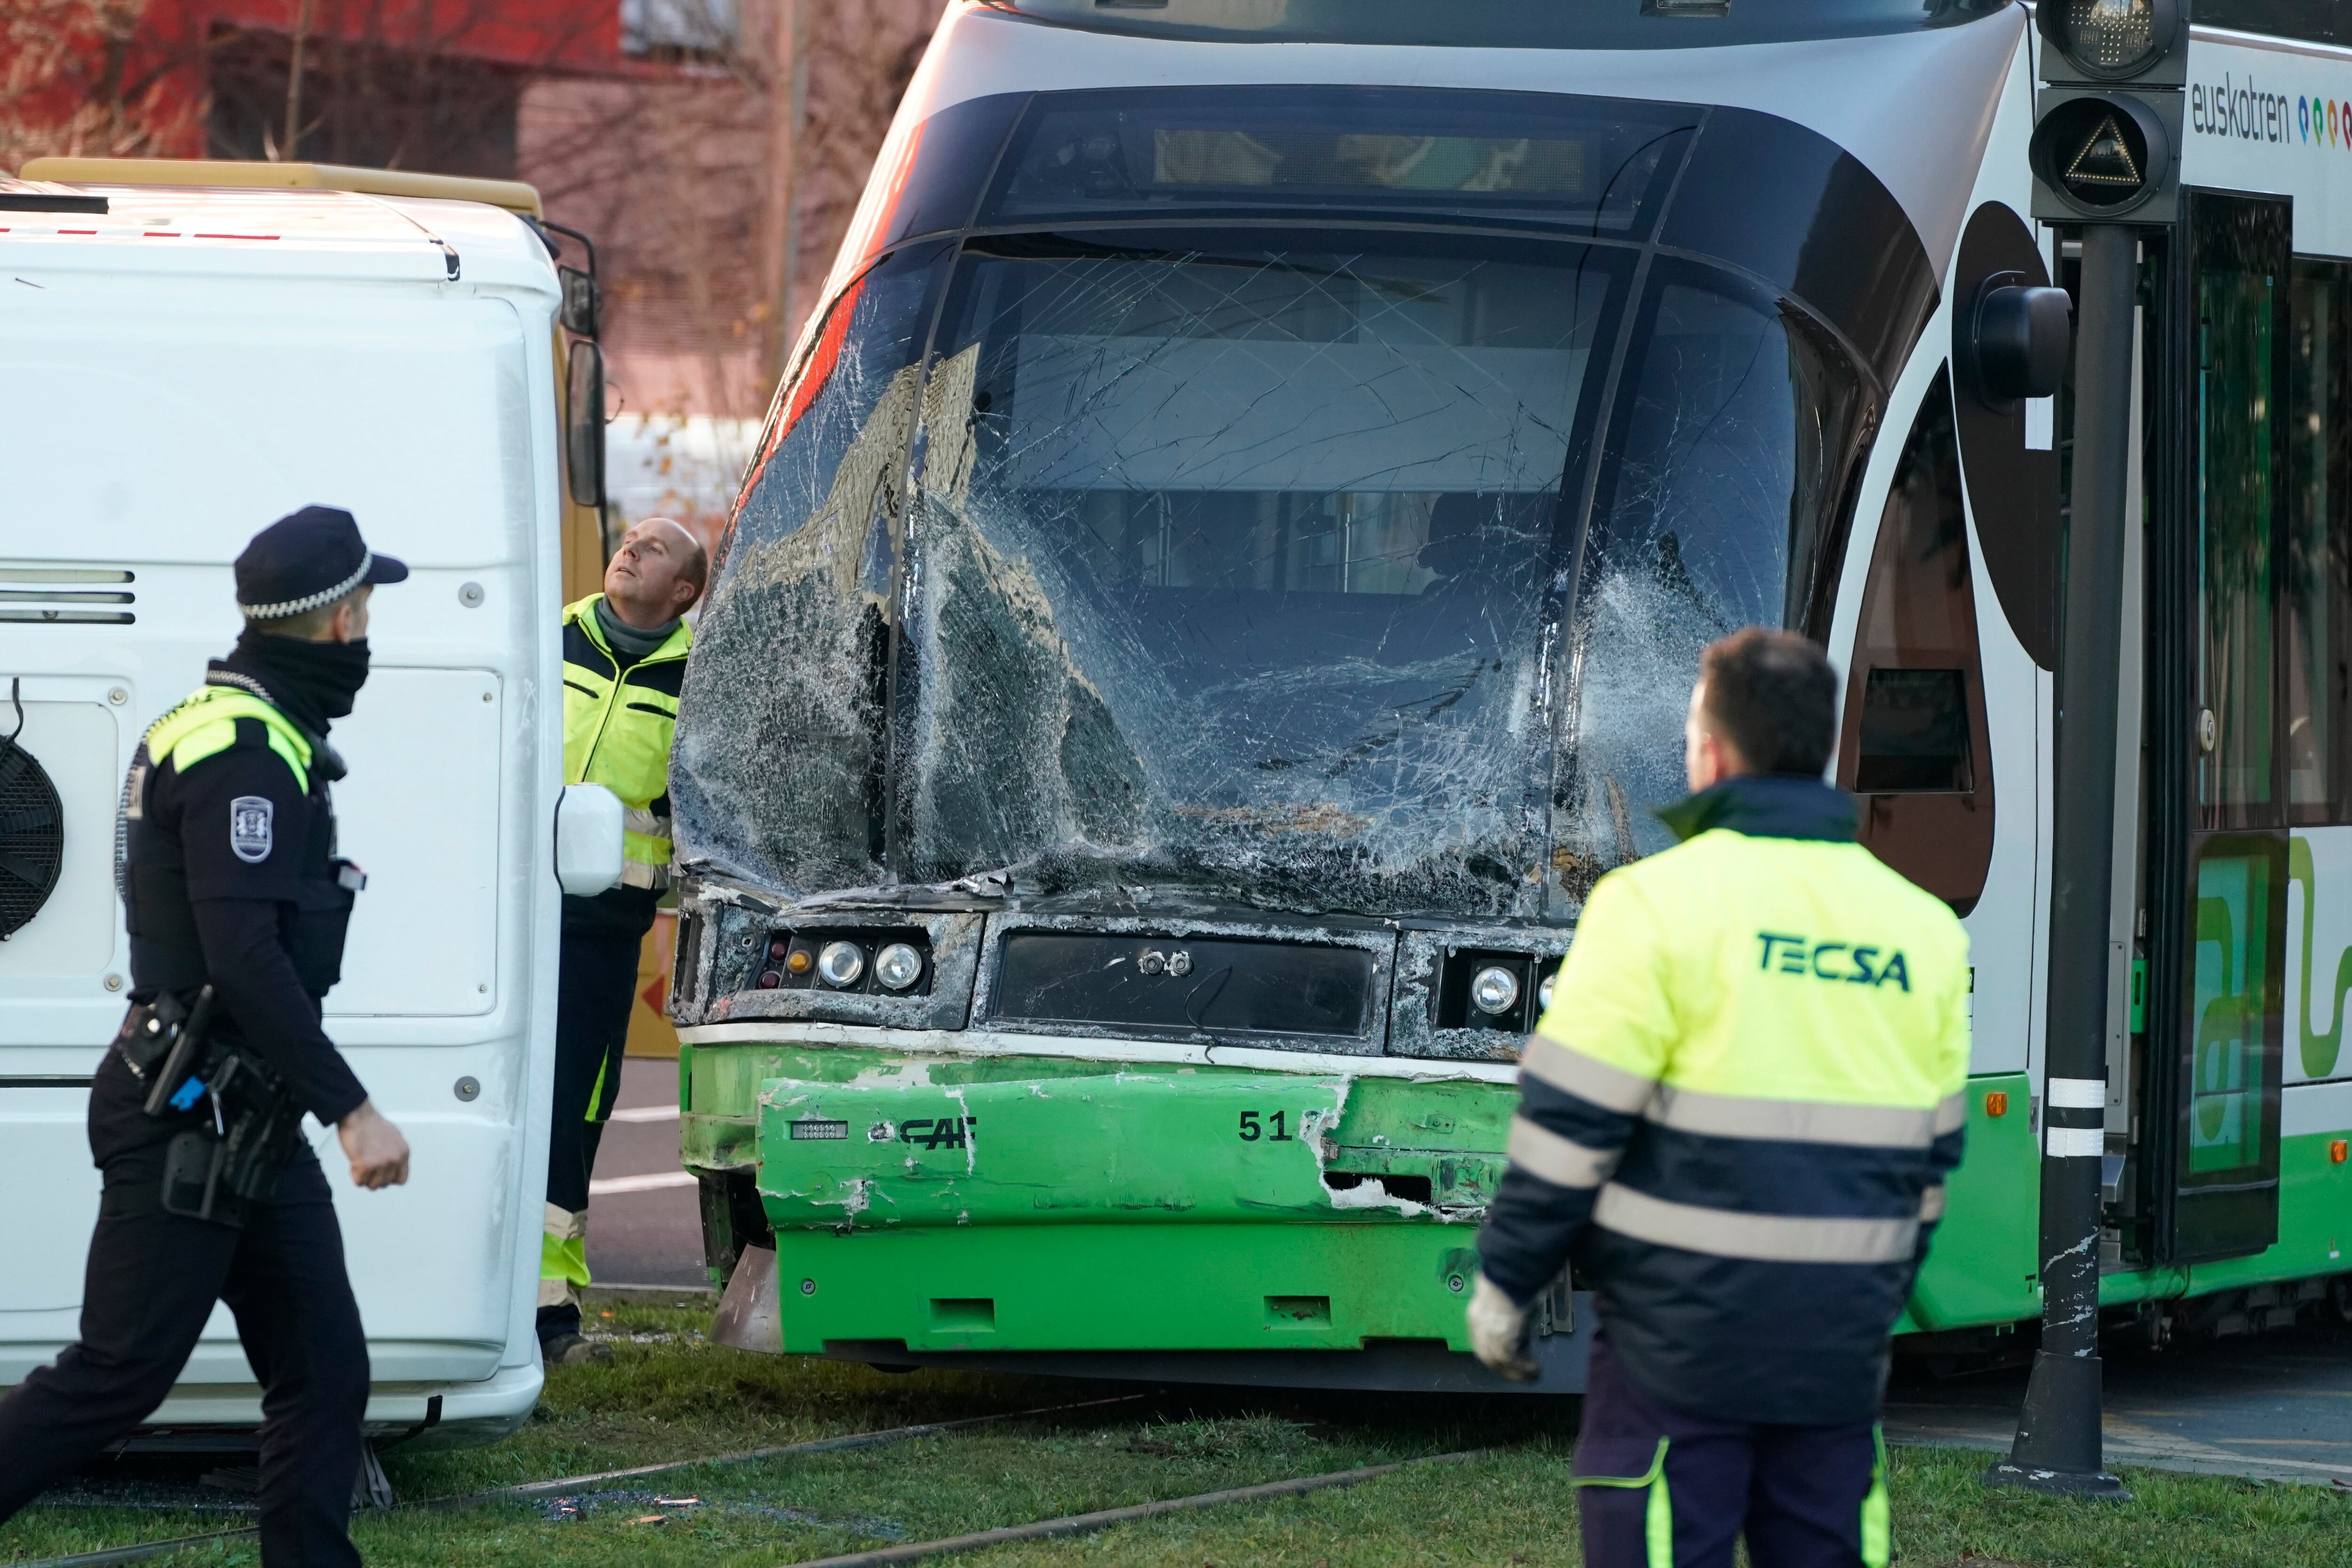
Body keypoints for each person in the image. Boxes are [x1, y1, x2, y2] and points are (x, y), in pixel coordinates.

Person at [1469, 627, 1971, 1568]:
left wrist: (1505, 1277)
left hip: (1674, 1351)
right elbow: (1932, 1161)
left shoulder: (1651, 904)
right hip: (1835, 1348)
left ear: (1710, 750)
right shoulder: (1924, 930)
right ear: (1818, 746)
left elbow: (1567, 1127)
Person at [0, 506, 413, 1567]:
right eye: (366, 606)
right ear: (335, 618)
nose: (369, 629)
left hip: (243, 1110)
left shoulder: (217, 719)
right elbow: (245, 959)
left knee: (323, 1368)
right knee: (117, 1376)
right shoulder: (244, 749)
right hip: (191, 1111)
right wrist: (354, 1108)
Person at [538, 516, 707, 1364]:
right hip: (510, 918)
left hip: (603, 934)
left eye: (657, 549)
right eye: (631, 538)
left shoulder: (701, 678)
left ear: (682, 593)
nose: (631, 548)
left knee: (573, 1115)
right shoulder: (546, 633)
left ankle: (550, 1317)